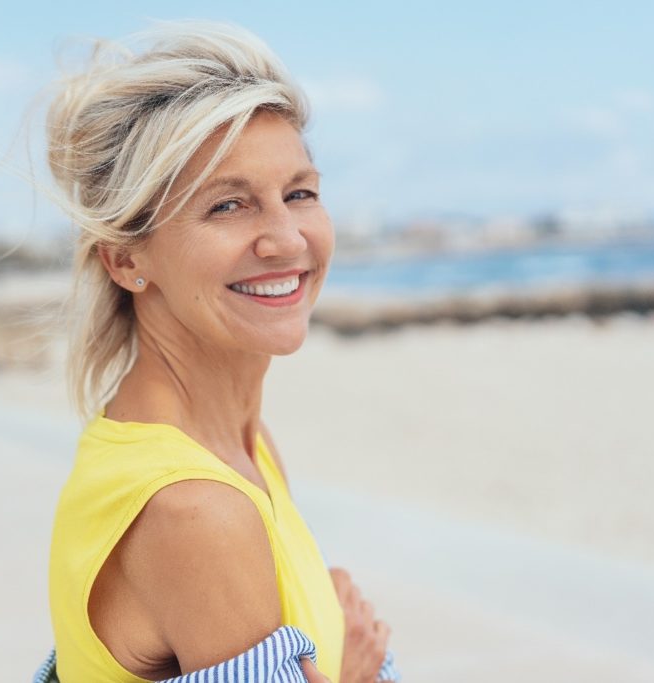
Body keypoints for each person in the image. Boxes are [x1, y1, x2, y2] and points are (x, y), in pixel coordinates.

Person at [43, 22, 397, 683]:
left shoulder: (241, 445)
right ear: (125, 259)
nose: (286, 239)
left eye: (300, 193)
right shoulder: (197, 509)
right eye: (229, 205)